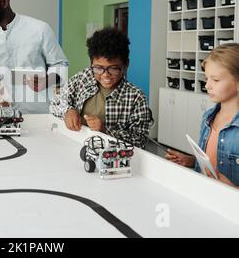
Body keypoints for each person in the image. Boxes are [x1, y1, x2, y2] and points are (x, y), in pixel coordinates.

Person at [49, 27, 152, 149]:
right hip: (74, 145)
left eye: (113, 68)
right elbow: (55, 103)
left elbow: (140, 141)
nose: (105, 75)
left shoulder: (136, 98)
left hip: (110, 156)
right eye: (98, 68)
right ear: (91, 63)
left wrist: (105, 130)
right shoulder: (84, 77)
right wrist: (68, 111)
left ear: (126, 65)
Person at [165, 43, 239, 188]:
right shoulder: (208, 117)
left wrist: (232, 190)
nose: (207, 85)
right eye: (207, 79)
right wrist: (191, 161)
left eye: (216, 80)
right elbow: (212, 161)